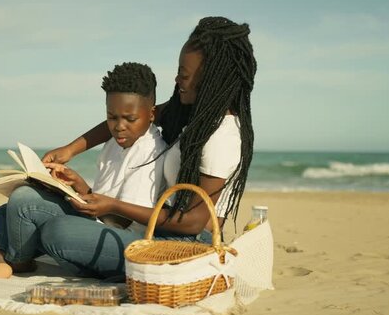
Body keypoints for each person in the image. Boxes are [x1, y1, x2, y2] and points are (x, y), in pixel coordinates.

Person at [38, 16, 256, 278]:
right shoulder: (192, 112)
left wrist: (113, 206)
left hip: (188, 248)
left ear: (211, 77)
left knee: (59, 231)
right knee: (37, 209)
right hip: (160, 232)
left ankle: (104, 267)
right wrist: (71, 150)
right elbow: (129, 117)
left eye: (184, 75)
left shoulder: (221, 135)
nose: (177, 80)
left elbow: (193, 222)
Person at [0, 62, 167, 281]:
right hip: (99, 223)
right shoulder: (115, 143)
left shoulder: (149, 151)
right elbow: (102, 203)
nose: (119, 126)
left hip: (122, 242)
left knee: (35, 211)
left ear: (152, 114)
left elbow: (118, 221)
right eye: (112, 117)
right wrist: (74, 184)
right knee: (7, 210)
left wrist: (76, 191)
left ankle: (12, 260)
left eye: (130, 118)